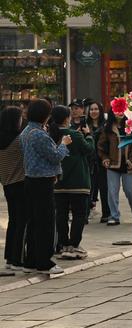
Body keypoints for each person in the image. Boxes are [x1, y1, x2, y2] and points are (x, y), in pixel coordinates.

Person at [20, 99, 71, 275]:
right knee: (45, 223)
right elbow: (55, 156)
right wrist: (64, 144)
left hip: (30, 179)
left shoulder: (27, 131)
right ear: (44, 115)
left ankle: (31, 260)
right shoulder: (39, 134)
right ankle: (44, 262)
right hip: (42, 182)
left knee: (34, 221)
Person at [48, 106, 95, 259]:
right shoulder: (74, 134)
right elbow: (89, 149)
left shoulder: (50, 135)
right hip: (78, 181)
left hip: (58, 183)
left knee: (60, 214)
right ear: (67, 118)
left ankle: (63, 244)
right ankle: (74, 245)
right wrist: (88, 135)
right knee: (79, 214)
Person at [98, 111, 132, 226]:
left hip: (129, 165)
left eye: (122, 110)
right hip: (113, 164)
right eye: (116, 110)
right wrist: (104, 158)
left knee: (130, 191)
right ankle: (114, 216)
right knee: (112, 192)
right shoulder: (107, 128)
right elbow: (101, 145)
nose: (119, 113)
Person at [0, 106, 27, 270]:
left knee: (14, 220)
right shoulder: (19, 140)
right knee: (22, 221)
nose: (21, 120)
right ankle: (17, 258)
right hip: (21, 183)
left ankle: (9, 257)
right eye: (20, 117)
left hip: (7, 185)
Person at [86, 102, 110, 222]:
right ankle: (87, 212)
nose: (93, 111)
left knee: (104, 188)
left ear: (100, 111)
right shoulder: (85, 125)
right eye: (91, 109)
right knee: (89, 188)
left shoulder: (105, 126)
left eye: (96, 109)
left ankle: (106, 213)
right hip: (89, 161)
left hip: (102, 161)